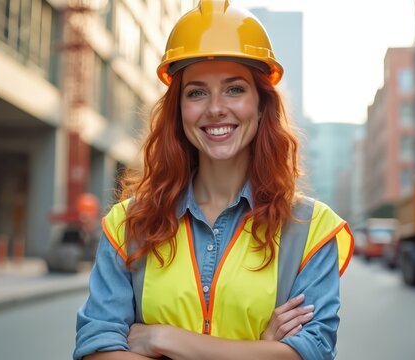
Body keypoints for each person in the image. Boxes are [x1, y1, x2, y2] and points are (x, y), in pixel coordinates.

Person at [74, 1, 354, 359]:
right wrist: (262, 350)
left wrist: (164, 340)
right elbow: (96, 348)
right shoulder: (128, 223)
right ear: (179, 109)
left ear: (261, 103)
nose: (216, 108)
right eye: (197, 92)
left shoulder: (312, 228)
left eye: (235, 89)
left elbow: (312, 351)